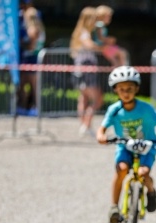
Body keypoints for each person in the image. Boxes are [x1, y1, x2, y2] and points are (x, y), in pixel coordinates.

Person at [96, 66, 156, 223]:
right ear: (115, 90)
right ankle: (114, 207)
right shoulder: (114, 110)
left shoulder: (146, 108)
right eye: (122, 89)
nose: (126, 92)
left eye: (130, 88)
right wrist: (101, 136)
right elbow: (102, 128)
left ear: (137, 88)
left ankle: (150, 192)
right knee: (122, 170)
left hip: (147, 146)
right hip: (124, 146)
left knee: (144, 173)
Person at [70, 6, 104, 136]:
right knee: (97, 99)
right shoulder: (85, 33)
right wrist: (104, 48)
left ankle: (85, 125)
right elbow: (90, 45)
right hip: (86, 69)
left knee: (83, 98)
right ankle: (86, 125)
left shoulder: (81, 32)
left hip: (81, 69)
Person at [17, 1, 45, 116]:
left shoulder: (33, 29)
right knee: (30, 86)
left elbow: (31, 46)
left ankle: (31, 108)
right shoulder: (40, 27)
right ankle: (26, 107)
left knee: (30, 86)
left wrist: (21, 43)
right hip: (32, 59)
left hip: (31, 59)